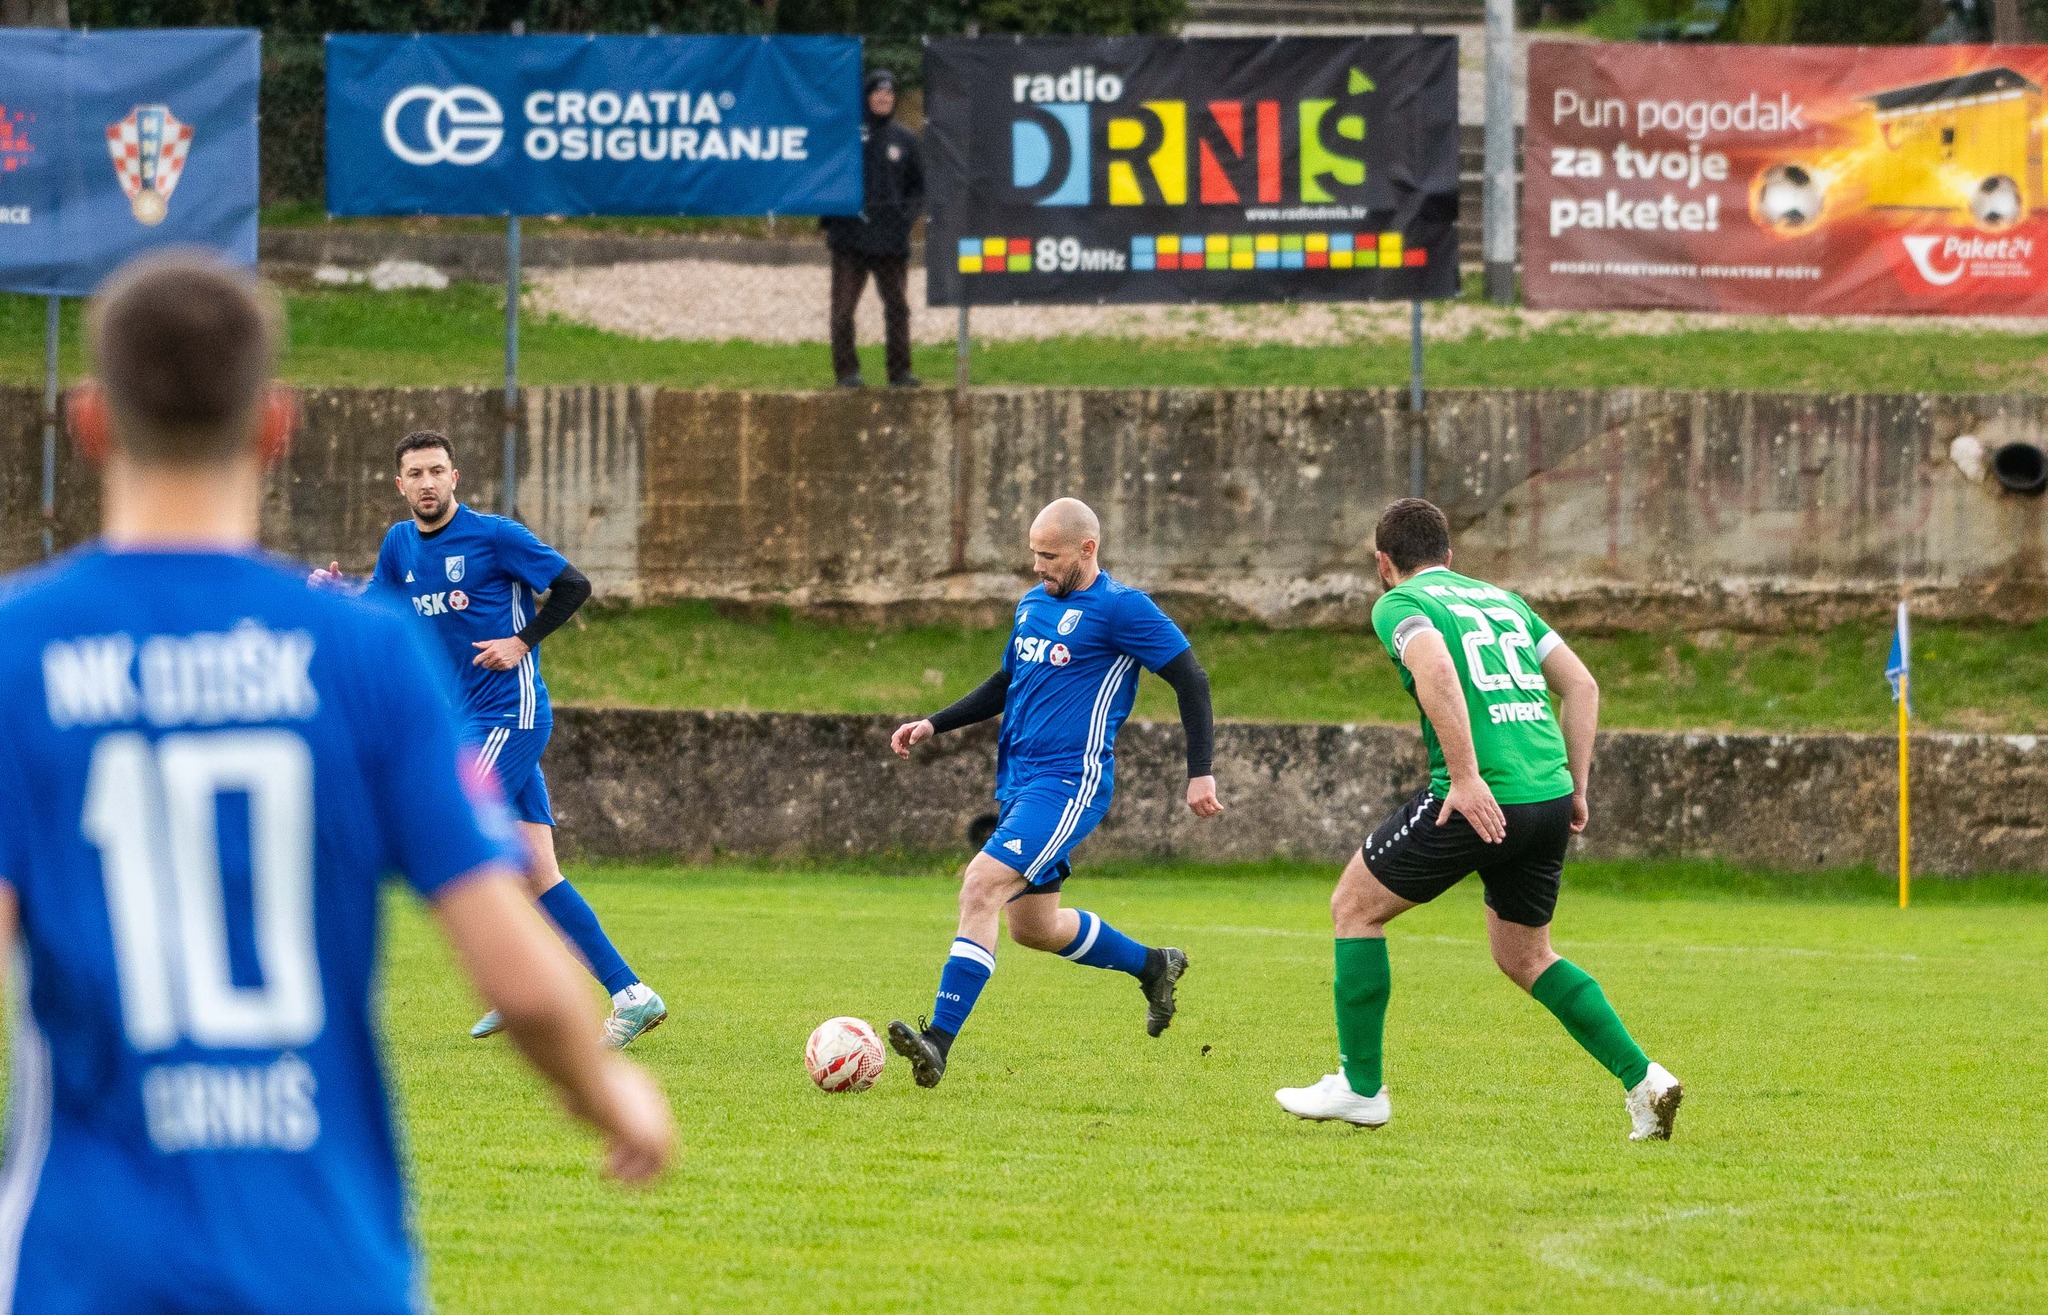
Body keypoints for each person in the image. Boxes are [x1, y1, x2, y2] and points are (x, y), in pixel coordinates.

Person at [0, 251, 671, 1313]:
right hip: (323, 1254)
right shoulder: (362, 656)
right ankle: (631, 994)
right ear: (276, 425)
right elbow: (509, 961)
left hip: (80, 1257)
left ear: (89, 423)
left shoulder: (18, 650)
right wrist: (608, 1097)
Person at [1274, 498, 1682, 1140]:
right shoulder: (1504, 601)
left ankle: (1360, 1088)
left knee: (1354, 907)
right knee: (1526, 955)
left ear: (1384, 563)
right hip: (1546, 796)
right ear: (1449, 557)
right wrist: (1576, 787)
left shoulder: (1400, 603)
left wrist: (1464, 778)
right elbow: (1582, 686)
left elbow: (1435, 666)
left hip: (1479, 796)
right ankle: (1645, 1081)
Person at [311, 433, 666, 1049]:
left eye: (436, 471)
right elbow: (380, 615)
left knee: (463, 836)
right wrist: (335, 595)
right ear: (400, 486)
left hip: (510, 713)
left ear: (456, 478)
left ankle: (522, 985)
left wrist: (521, 642)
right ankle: (631, 995)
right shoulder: (399, 545)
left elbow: (573, 585)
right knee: (535, 872)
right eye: (414, 473)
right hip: (464, 722)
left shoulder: (494, 536)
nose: (426, 482)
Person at [885, 498, 1224, 1087]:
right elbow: (1007, 681)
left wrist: (1201, 771)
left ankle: (938, 1040)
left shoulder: (1123, 610)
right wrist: (935, 722)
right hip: (1019, 783)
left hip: (1071, 782)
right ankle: (1154, 965)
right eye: (1034, 554)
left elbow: (1191, 679)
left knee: (980, 884)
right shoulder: (1032, 604)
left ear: (1087, 550)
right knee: (1034, 929)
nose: (1038, 567)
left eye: (1050, 556)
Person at [824, 67, 923, 389]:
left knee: (898, 308)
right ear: (867, 97)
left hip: (890, 240)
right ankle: (847, 372)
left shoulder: (906, 140)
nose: (884, 98)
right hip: (850, 238)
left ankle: (899, 372)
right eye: (878, 92)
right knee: (842, 310)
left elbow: (919, 188)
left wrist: (904, 220)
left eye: (889, 93)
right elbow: (825, 178)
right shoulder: (845, 137)